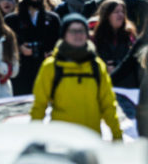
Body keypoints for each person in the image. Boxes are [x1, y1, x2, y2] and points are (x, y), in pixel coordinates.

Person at [31, 13, 122, 141]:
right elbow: (39, 104)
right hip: (61, 140)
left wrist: (117, 135)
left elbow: (108, 104)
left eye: (81, 31)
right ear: (64, 35)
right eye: (72, 31)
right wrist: (35, 136)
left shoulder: (96, 65)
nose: (77, 35)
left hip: (92, 138)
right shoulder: (51, 66)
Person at [6, 0, 60, 96]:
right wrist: (19, 48)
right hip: (21, 78)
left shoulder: (53, 19)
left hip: (46, 75)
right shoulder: (12, 20)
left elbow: (58, 44)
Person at [92, 0, 140, 88]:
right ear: (107, 15)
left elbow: (136, 60)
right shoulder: (95, 37)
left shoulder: (130, 36)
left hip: (127, 85)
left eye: (122, 11)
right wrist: (104, 67)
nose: (120, 14)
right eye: (116, 12)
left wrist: (118, 67)